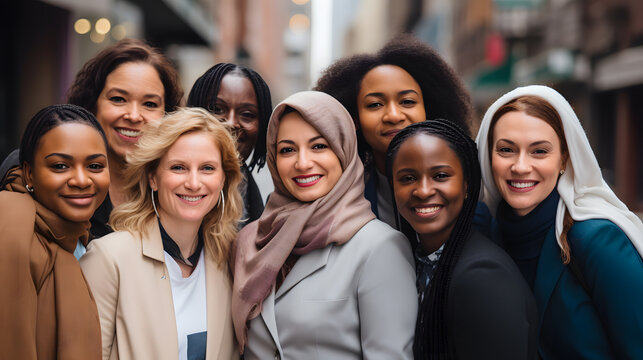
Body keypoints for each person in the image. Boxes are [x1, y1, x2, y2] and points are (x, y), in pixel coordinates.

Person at [232, 91, 417, 359]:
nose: (303, 163)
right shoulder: (250, 240)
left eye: (319, 146)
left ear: (343, 150)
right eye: (287, 150)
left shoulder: (379, 247)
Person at [476, 85, 643, 359]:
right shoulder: (488, 237)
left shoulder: (596, 239)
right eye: (506, 150)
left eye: (539, 151)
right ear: (487, 157)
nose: (520, 166)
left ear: (564, 159)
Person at [80, 108, 242, 360]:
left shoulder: (229, 258)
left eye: (208, 168)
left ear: (223, 179)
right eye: (179, 167)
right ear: (153, 178)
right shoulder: (110, 258)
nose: (194, 183)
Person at [0, 38, 183, 240]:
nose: (133, 115)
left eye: (149, 104)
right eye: (118, 99)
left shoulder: (176, 185)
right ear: (92, 104)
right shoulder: (31, 168)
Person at [386, 120, 538, 359]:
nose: (423, 190)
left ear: (467, 185)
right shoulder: (420, 262)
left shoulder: (482, 276)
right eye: (407, 178)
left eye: (441, 175)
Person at [314, 34, 471, 228]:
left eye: (407, 102)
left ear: (429, 110)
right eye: (375, 104)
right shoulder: (338, 202)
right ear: (353, 119)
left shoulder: (468, 194)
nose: (394, 115)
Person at [0, 104, 110, 359]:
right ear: (29, 173)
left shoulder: (75, 235)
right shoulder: (12, 221)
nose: (82, 180)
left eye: (95, 166)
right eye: (60, 166)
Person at [187, 63, 272, 226]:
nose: (231, 123)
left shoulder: (265, 213)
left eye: (247, 114)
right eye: (217, 109)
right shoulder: (169, 188)